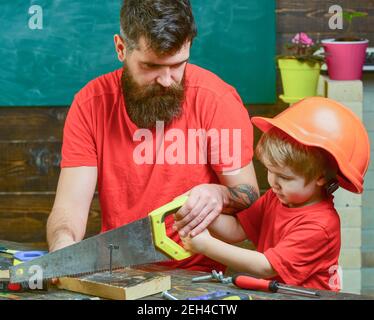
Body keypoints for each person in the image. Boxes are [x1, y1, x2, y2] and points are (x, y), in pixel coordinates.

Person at [47, 0, 259, 272]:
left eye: (178, 65)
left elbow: (249, 196)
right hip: (119, 272)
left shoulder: (217, 100)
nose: (167, 80)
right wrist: (63, 246)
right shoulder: (91, 103)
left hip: (197, 279)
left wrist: (220, 194)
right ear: (121, 48)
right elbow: (70, 208)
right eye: (151, 67)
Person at [181, 97, 370, 290]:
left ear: (320, 178)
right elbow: (237, 229)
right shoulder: (278, 197)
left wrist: (205, 245)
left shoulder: (320, 226)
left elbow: (266, 267)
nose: (274, 183)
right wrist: (199, 213)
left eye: (285, 178)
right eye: (270, 171)